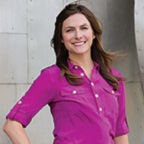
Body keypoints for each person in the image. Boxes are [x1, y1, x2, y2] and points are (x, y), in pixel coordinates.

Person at [3, 2, 130, 144]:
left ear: (93, 33)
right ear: (62, 38)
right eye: (69, 30)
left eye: (84, 28)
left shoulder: (114, 78)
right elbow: (12, 125)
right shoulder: (52, 77)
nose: (78, 35)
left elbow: (120, 133)